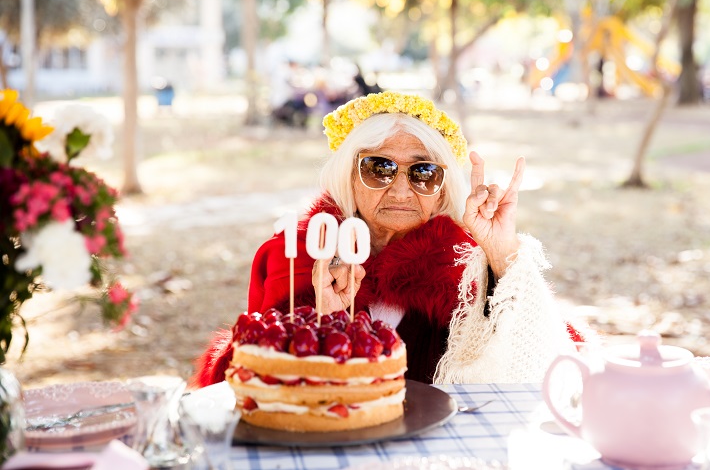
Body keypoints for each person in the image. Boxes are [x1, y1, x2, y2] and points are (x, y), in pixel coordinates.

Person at [194, 91, 585, 387]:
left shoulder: (466, 262)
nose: (400, 191)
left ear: (442, 187)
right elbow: (243, 377)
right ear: (348, 175)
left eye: (423, 173)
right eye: (379, 168)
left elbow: (556, 363)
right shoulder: (296, 252)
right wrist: (319, 321)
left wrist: (501, 255)